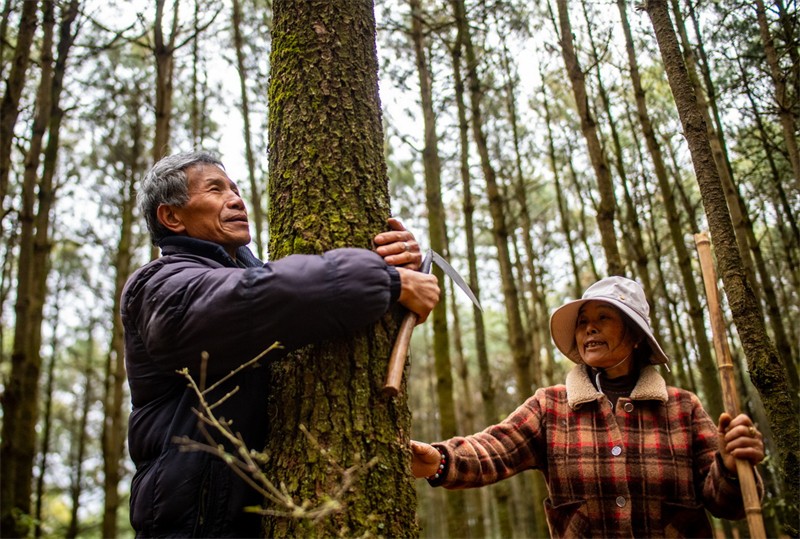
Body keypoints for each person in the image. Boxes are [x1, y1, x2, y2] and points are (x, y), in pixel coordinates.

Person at [122, 150, 440, 537]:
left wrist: (396, 266)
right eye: (215, 189)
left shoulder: (258, 285)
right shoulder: (158, 286)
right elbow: (251, 299)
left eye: (236, 189)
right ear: (172, 216)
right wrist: (383, 280)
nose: (236, 198)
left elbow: (283, 301)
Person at [411, 276, 764, 538]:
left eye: (604, 318)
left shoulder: (681, 408)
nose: (589, 328)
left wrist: (731, 466)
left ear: (636, 333)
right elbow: (495, 449)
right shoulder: (550, 406)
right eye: (583, 321)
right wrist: (440, 460)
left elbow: (726, 504)